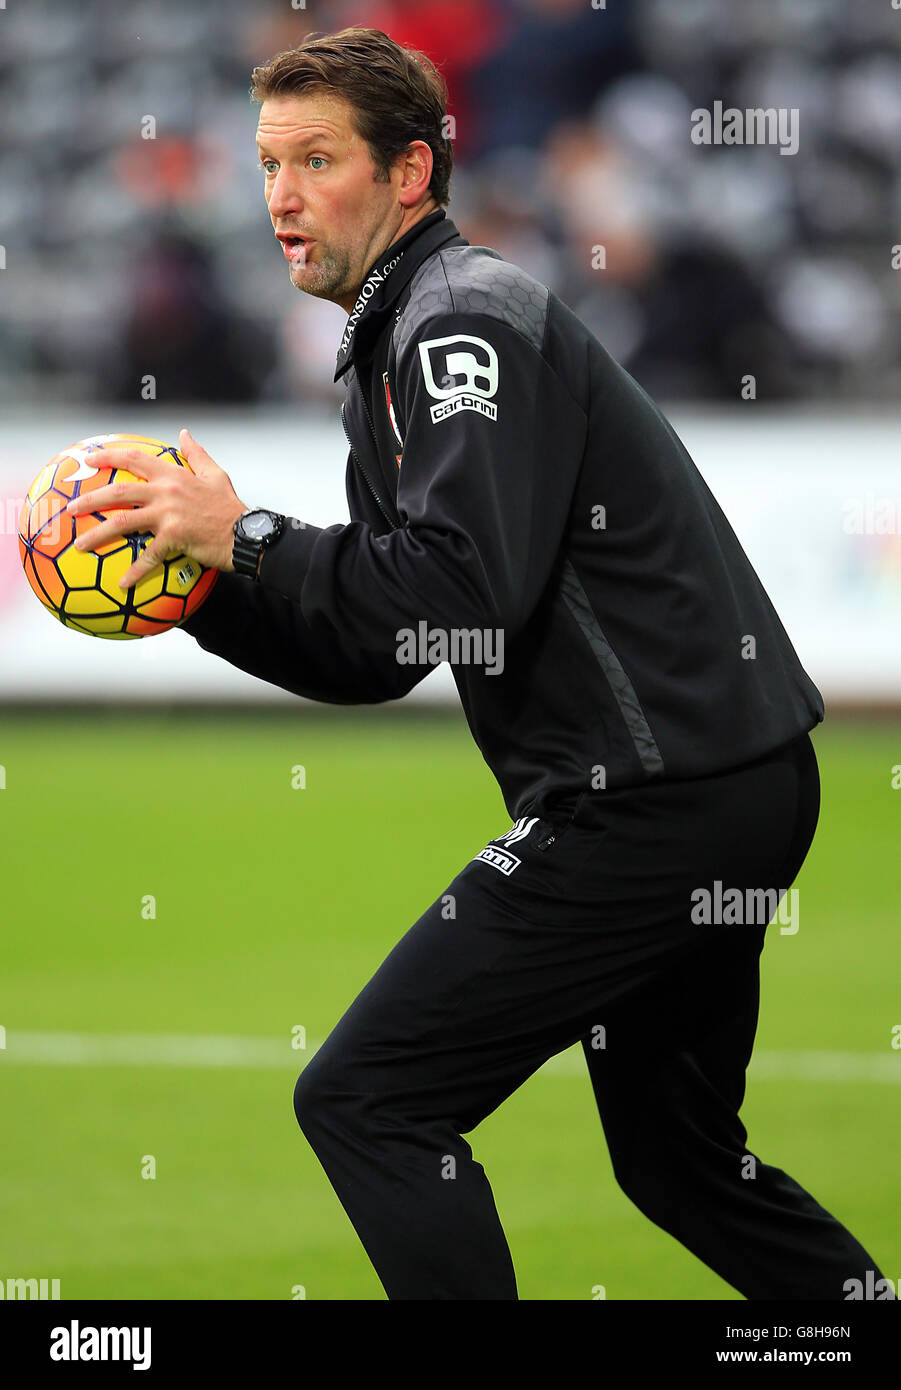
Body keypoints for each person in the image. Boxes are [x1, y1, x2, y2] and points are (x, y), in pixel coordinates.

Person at [67, 26, 890, 1301]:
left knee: (367, 1097)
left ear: (410, 172)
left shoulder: (460, 331)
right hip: (716, 784)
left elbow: (463, 591)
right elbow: (386, 648)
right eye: (267, 163)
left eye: (316, 159)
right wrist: (199, 591)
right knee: (679, 1164)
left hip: (652, 800)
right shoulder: (398, 338)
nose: (279, 195)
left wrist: (250, 535)